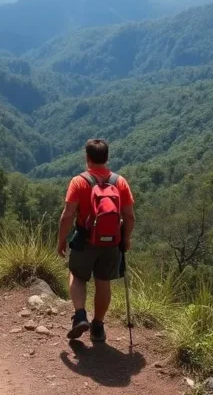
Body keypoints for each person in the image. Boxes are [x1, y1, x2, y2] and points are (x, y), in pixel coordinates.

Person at [57, 139, 135, 343]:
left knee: (77, 275)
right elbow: (129, 217)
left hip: (85, 239)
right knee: (103, 282)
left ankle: (80, 316)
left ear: (87, 158)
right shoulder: (120, 182)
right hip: (111, 242)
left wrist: (61, 240)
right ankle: (98, 327)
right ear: (107, 158)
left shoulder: (79, 182)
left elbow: (67, 215)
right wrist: (125, 239)